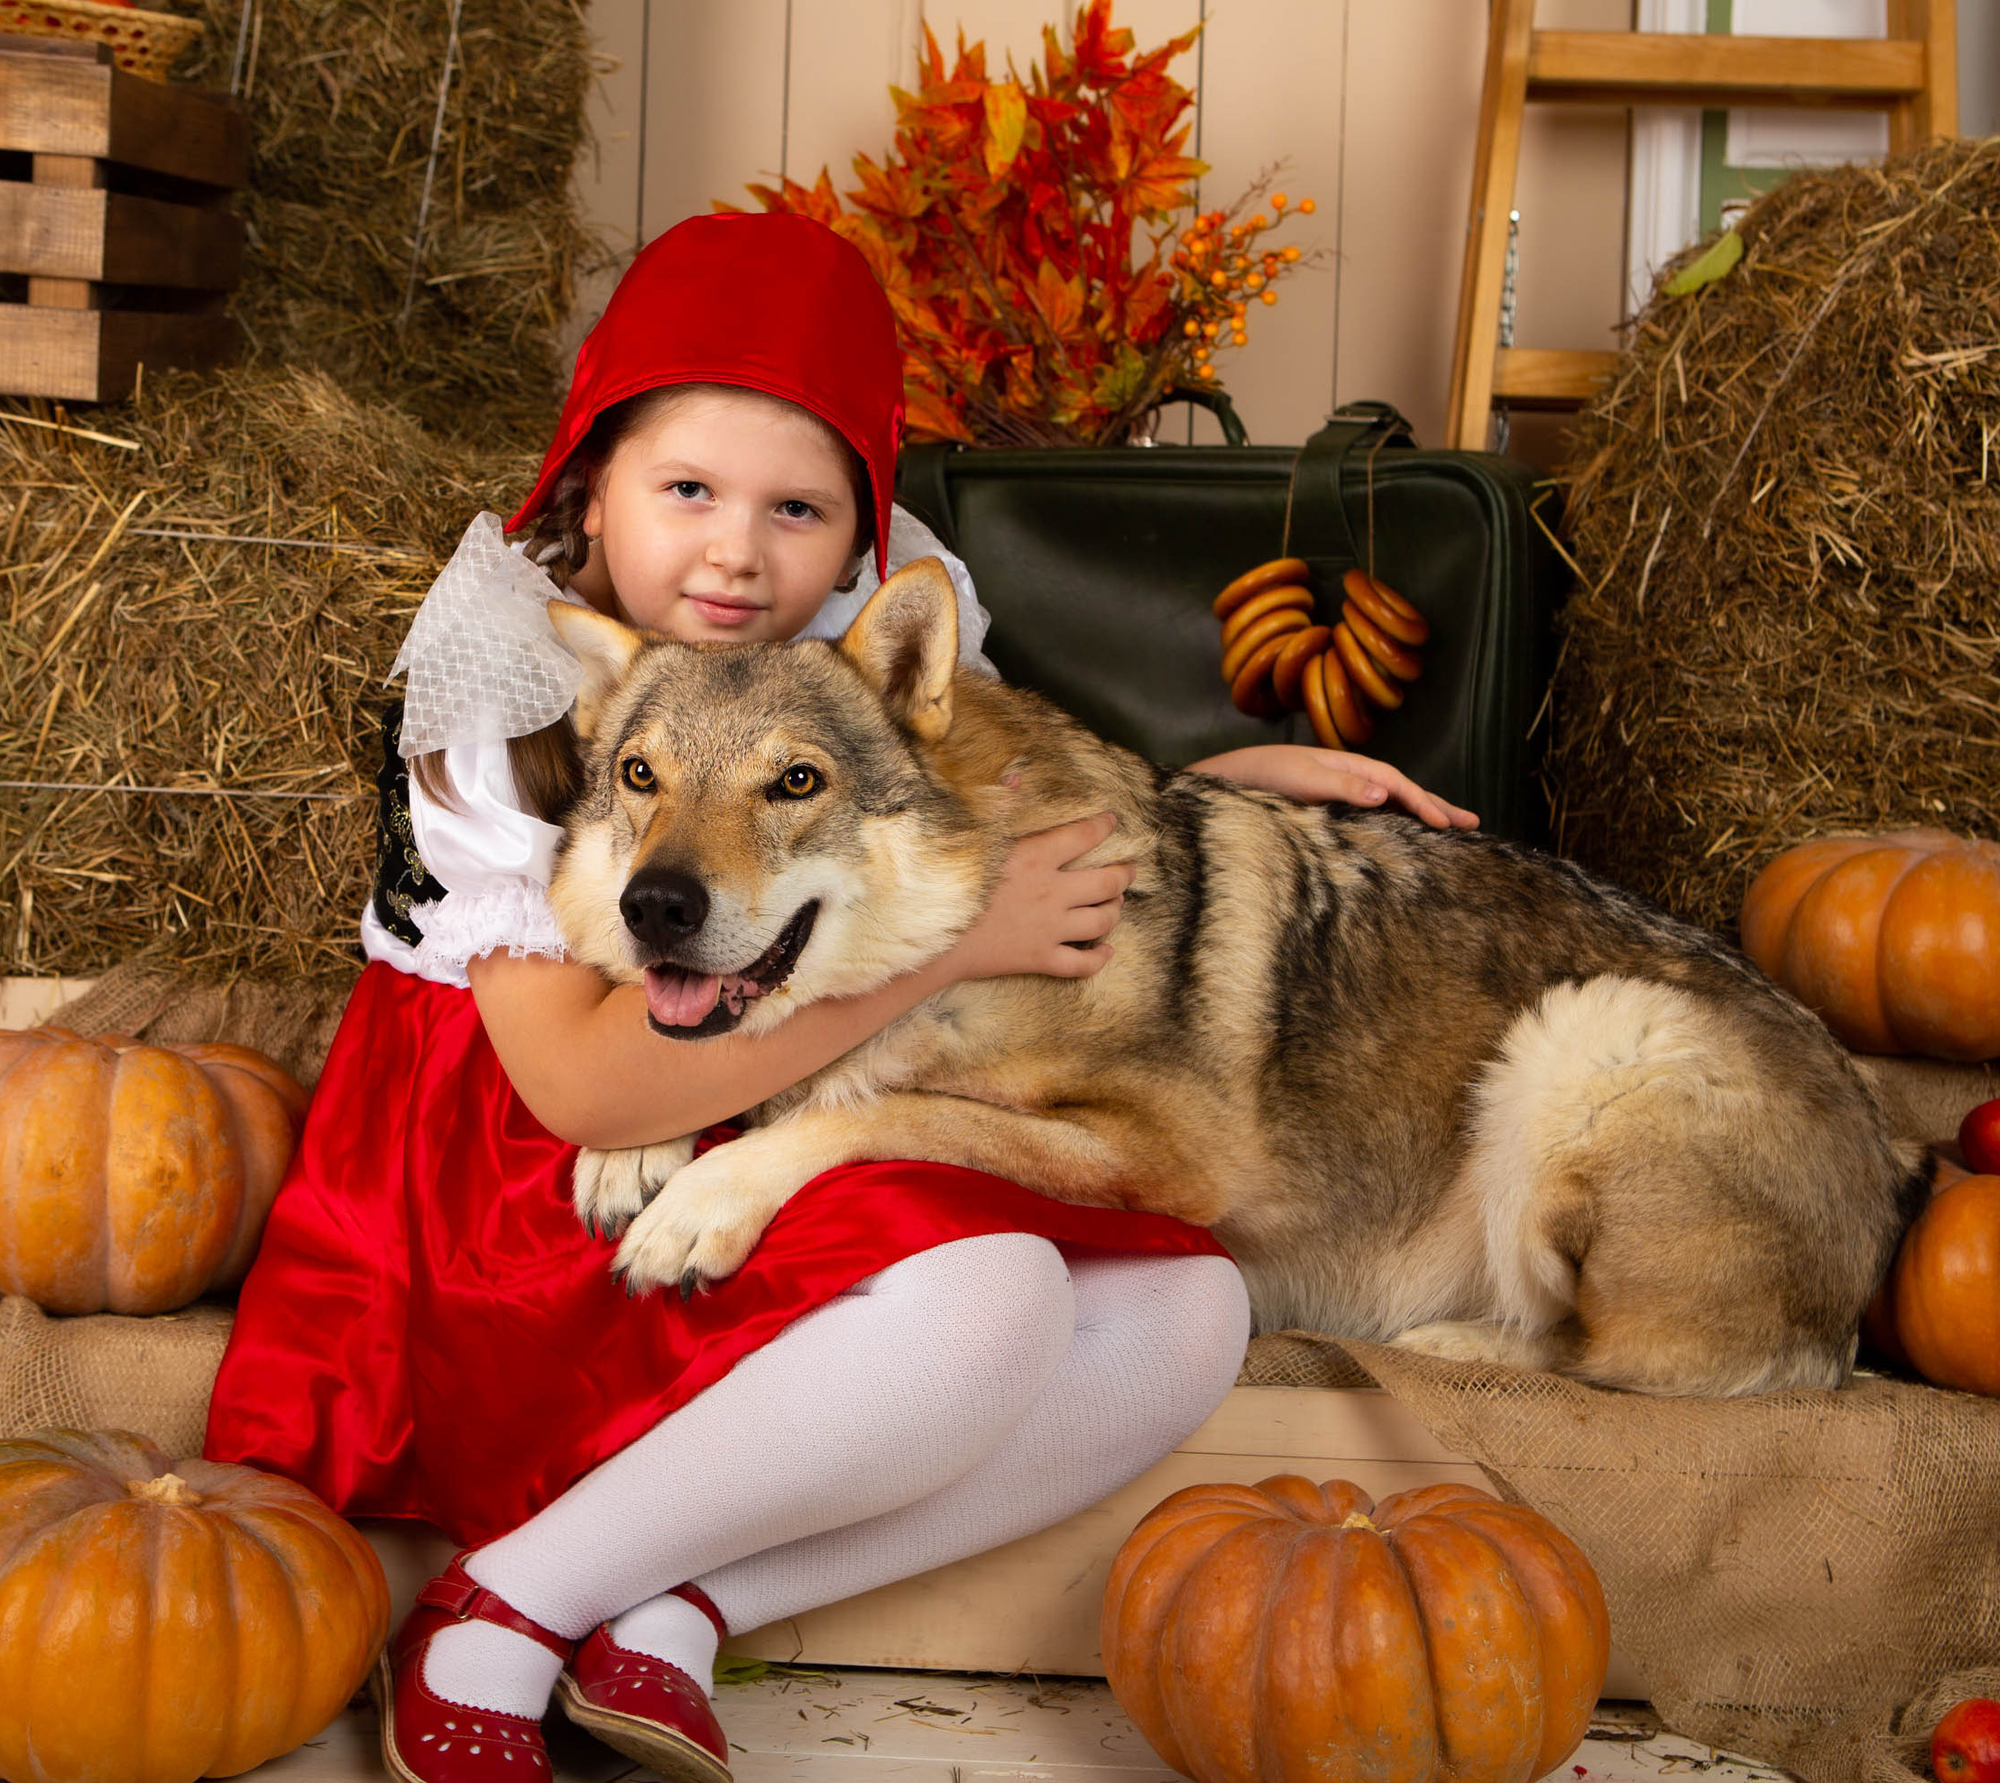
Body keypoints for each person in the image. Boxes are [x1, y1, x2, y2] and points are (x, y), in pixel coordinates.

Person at [203, 212, 1477, 1783]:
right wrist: (960, 950)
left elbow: (967, 813)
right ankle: (498, 1613)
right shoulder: (505, 686)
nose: (738, 554)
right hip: (533, 1165)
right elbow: (584, 1090)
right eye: (688, 491)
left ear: (858, 528)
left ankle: (675, 1607)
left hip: (769, 1091)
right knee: (990, 1297)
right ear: (589, 486)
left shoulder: (851, 644)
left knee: (1189, 1311)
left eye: (796, 508)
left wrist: (1217, 789)